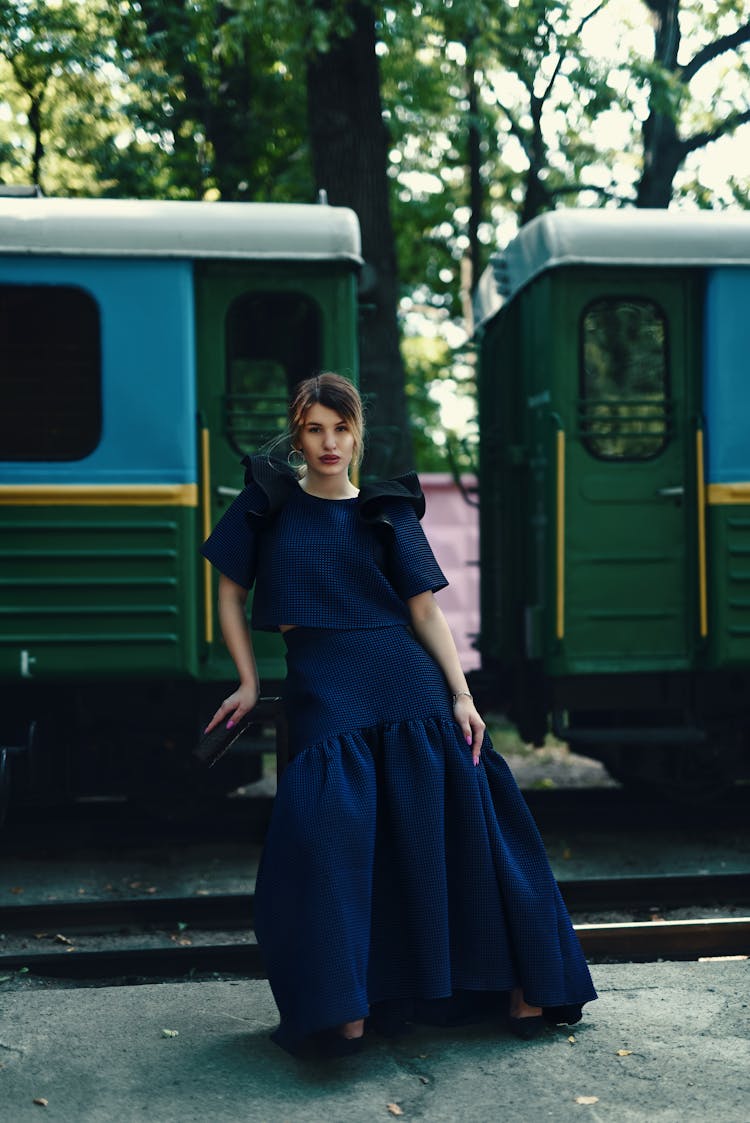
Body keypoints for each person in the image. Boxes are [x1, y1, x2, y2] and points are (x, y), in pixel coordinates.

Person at [201, 372, 596, 1058]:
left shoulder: (386, 508)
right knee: (327, 836)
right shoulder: (266, 500)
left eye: (341, 427)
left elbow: (423, 610)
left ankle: (525, 985)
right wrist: (246, 678)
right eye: (315, 428)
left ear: (358, 432)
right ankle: (342, 1006)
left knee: (469, 824)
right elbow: (230, 594)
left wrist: (463, 695)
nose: (330, 442)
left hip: (404, 677)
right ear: (297, 433)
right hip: (324, 682)